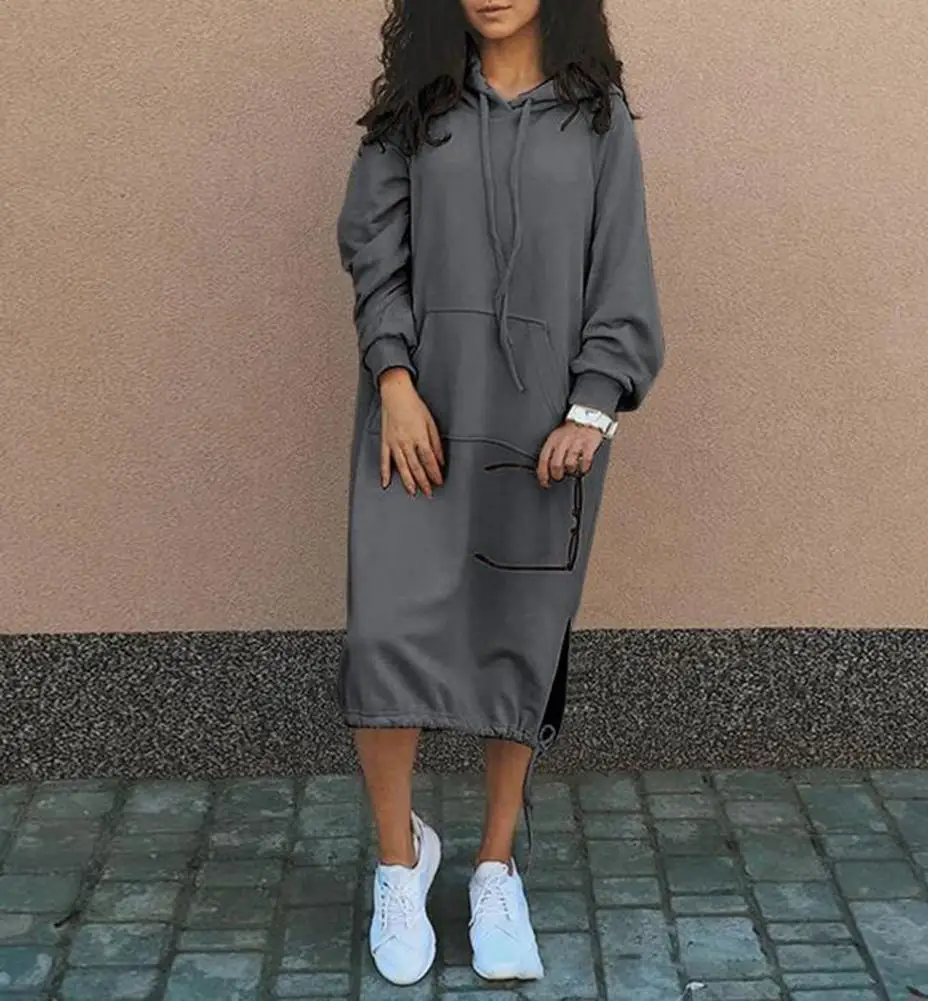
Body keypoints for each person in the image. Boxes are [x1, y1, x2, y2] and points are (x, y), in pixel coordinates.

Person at [336, 0, 664, 986]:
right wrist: (394, 380)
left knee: (516, 640)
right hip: (416, 426)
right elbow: (372, 250)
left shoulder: (597, 120)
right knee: (384, 635)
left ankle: (493, 867)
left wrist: (594, 404)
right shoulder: (414, 110)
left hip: (540, 438)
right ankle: (398, 861)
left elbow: (621, 272)